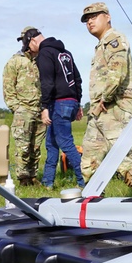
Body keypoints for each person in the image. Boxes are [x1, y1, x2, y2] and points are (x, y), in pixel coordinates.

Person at [79, 2, 132, 198]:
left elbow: (117, 72)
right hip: (99, 111)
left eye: (94, 16)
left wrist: (105, 97)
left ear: (108, 16)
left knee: (123, 158)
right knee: (89, 159)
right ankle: (94, 200)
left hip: (116, 109)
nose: (90, 22)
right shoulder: (101, 45)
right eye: (87, 20)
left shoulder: (115, 39)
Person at [27, 29, 85, 189]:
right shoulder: (66, 53)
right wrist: (77, 102)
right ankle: (48, 183)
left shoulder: (45, 53)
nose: (30, 52)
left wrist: (44, 107)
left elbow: (47, 82)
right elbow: (77, 79)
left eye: (29, 47)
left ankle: (85, 181)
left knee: (66, 143)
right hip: (70, 101)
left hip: (58, 103)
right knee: (52, 143)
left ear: (32, 40)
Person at [3, 26, 45, 186]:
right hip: (24, 110)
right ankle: (23, 178)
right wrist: (17, 108)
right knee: (23, 146)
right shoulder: (15, 61)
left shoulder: (41, 60)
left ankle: (33, 176)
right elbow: (8, 88)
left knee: (36, 147)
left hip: (40, 110)